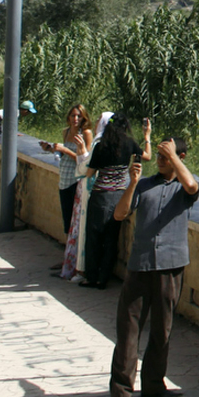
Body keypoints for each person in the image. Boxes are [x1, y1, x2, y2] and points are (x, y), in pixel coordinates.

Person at [107, 123, 199, 397]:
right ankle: (121, 390)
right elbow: (120, 214)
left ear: (179, 157)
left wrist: (173, 157)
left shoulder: (185, 185)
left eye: (166, 156)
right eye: (158, 156)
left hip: (171, 266)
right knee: (129, 328)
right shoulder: (145, 185)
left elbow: (192, 187)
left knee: (163, 330)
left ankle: (153, 384)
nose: (159, 161)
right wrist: (133, 183)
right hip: (140, 265)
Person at [82, 114, 138, 288]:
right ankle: (103, 277)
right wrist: (147, 137)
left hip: (100, 195)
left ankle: (91, 276)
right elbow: (146, 156)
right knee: (111, 238)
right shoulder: (129, 144)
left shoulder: (100, 146)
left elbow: (89, 173)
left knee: (94, 237)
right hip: (120, 196)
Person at [40, 104, 95, 274]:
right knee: (67, 220)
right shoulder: (66, 132)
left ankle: (77, 260)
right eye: (73, 116)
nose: (75, 119)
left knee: (76, 220)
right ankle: (68, 257)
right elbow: (64, 154)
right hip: (64, 178)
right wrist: (52, 149)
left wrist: (65, 149)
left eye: (79, 116)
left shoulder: (85, 134)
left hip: (76, 180)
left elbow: (86, 160)